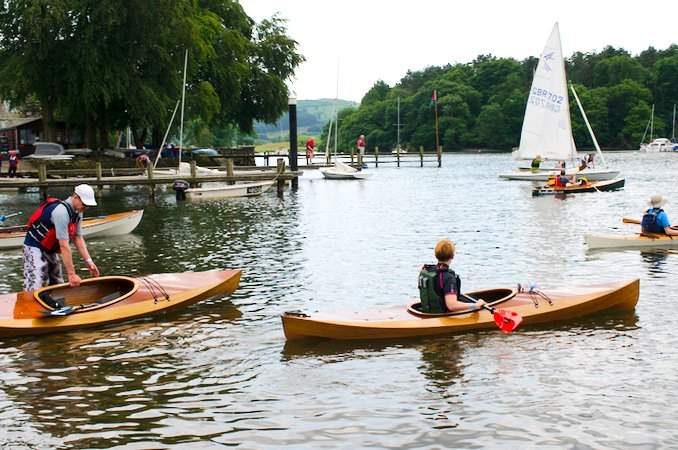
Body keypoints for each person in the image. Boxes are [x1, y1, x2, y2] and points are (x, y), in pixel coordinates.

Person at [23, 184, 100, 292]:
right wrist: (72, 274)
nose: (86, 207)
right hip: (34, 246)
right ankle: (29, 303)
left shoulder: (78, 212)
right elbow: (64, 246)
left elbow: (78, 238)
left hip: (50, 249)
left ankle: (55, 305)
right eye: (84, 204)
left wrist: (89, 262)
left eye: (88, 205)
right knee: (36, 283)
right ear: (75, 197)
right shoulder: (61, 213)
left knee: (57, 281)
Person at [418, 239, 486, 313]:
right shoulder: (448, 278)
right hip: (442, 316)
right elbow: (452, 305)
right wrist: (475, 305)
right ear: (452, 256)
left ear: (436, 255)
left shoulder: (429, 270)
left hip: (430, 310)